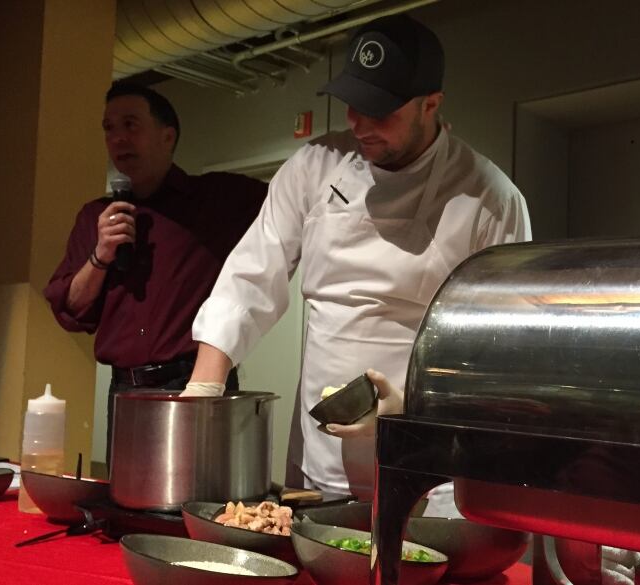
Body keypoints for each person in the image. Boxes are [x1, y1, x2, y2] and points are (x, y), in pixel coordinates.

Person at [181, 14, 532, 505]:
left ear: (431, 104)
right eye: (352, 104)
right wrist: (205, 385)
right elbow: (250, 276)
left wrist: (412, 406)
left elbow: (500, 349)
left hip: (427, 464)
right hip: (317, 463)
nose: (359, 124)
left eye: (381, 110)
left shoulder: (491, 199)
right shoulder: (314, 166)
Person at [44, 82, 268, 462]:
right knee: (128, 505)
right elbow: (72, 308)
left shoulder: (217, 200)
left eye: (130, 125)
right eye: (109, 128)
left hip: (196, 383)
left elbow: (297, 204)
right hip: (126, 390)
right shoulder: (95, 216)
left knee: (199, 504)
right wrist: (100, 255)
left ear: (168, 136)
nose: (118, 139)